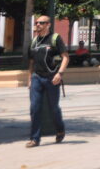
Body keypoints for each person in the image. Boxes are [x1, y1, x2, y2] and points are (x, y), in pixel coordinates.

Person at [27, 15, 68, 147]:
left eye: (42, 23)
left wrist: (60, 74)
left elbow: (66, 57)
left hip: (52, 78)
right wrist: (29, 79)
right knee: (34, 108)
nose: (38, 25)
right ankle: (35, 138)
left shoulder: (55, 39)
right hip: (37, 78)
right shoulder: (34, 41)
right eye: (37, 22)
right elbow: (31, 62)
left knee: (53, 108)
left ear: (48, 25)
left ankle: (60, 129)